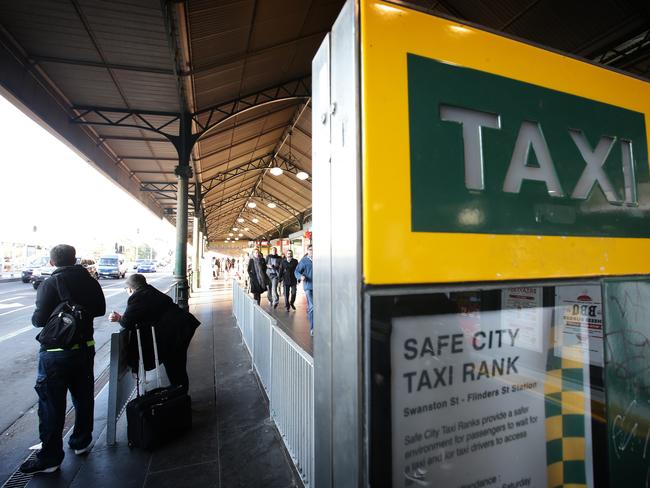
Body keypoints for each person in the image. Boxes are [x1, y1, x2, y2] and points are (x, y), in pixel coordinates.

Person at [21, 244, 106, 474]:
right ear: (75, 258)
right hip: (85, 349)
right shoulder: (90, 280)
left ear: (52, 262)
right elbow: (100, 309)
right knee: (83, 397)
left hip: (56, 354)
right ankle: (81, 441)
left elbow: (39, 320)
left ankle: (50, 457)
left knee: (51, 405)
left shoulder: (50, 283)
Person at [108, 274, 199, 392]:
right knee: (177, 364)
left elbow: (127, 322)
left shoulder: (137, 297)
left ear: (130, 289)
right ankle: (181, 394)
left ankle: (179, 396)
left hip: (175, 332)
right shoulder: (149, 291)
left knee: (174, 365)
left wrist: (119, 318)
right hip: (181, 327)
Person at [294, 244, 313, 335]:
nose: (312, 251)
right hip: (308, 286)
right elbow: (296, 271)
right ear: (307, 250)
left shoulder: (320, 259)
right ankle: (313, 328)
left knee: (312, 307)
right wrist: (300, 276)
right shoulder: (304, 261)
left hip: (319, 286)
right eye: (310, 249)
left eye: (313, 249)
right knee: (312, 306)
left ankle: (310, 314)